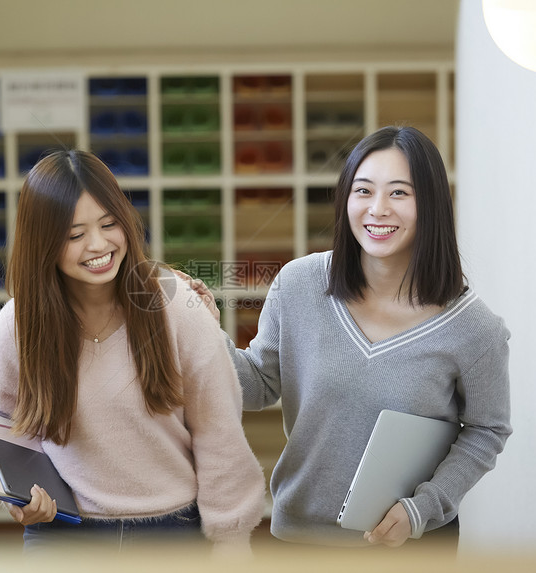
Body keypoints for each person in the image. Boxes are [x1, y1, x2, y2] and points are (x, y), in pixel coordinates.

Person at [190, 126, 512, 550]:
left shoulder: (474, 328)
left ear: (431, 204)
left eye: (400, 193)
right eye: (363, 191)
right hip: (301, 539)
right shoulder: (299, 284)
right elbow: (258, 385)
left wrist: (423, 508)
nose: (378, 209)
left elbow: (488, 430)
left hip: (411, 545)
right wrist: (205, 334)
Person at [0, 149, 265, 554]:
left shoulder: (177, 308)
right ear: (43, 244)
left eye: (109, 224)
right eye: (74, 235)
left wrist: (232, 541)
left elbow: (219, 434)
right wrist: (16, 499)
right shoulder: (17, 325)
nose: (98, 245)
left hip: (173, 533)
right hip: (62, 533)